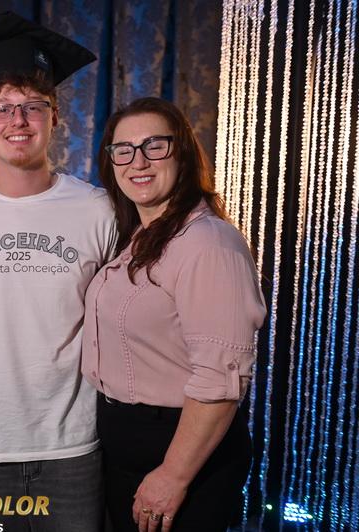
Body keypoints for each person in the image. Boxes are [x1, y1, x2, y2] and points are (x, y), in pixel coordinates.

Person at [0, 12, 118, 531]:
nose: (18, 120)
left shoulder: (98, 211)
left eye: (33, 106)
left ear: (55, 117)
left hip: (71, 447)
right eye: (2, 108)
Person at [82, 97, 266, 531]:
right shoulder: (139, 238)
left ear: (181, 151)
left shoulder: (208, 243)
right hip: (128, 447)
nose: (138, 161)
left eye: (154, 145)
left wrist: (174, 475)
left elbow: (220, 379)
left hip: (180, 454)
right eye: (123, 150)